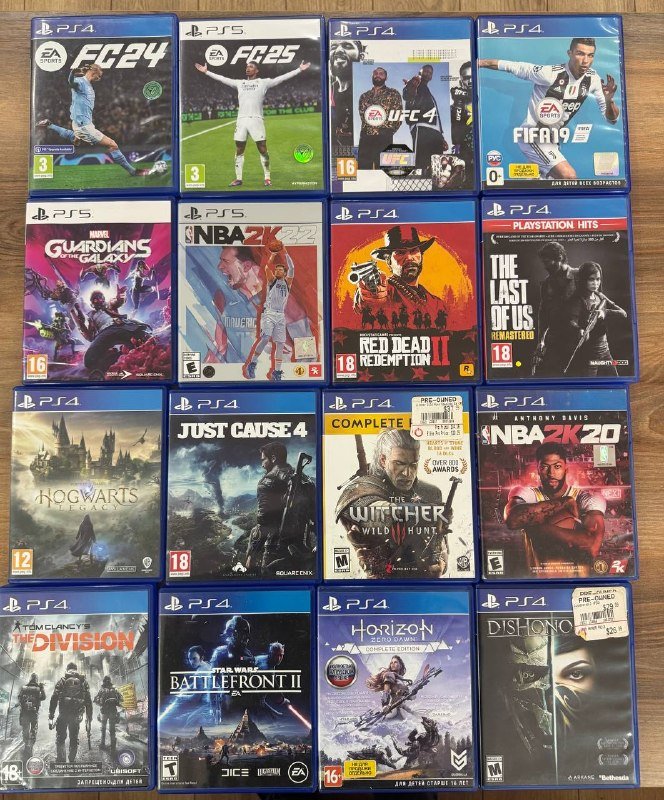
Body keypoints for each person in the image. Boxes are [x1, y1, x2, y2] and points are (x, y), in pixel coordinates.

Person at [478, 38, 620, 180]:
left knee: (543, 185)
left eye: (590, 55)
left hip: (552, 140)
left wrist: (609, 101)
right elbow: (514, 66)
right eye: (580, 54)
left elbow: (612, 120)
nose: (585, 61)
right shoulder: (550, 74)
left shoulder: (593, 79)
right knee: (569, 177)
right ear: (569, 53)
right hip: (532, 135)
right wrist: (480, 63)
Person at [335, 428, 449, 578]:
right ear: (383, 460)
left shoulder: (430, 493)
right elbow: (379, 514)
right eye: (399, 464)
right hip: (379, 583)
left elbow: (441, 544)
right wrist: (428, 512)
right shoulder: (360, 490)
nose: (407, 473)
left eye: (413, 464)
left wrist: (441, 563)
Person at [195, 59, 311, 187]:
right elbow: (223, 79)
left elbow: (281, 78)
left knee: (262, 148)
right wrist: (207, 72)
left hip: (256, 119)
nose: (248, 68)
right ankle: (238, 179)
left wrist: (299, 70)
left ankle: (267, 177)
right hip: (241, 120)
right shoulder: (240, 83)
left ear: (256, 70)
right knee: (239, 149)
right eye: (247, 66)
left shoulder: (263, 82)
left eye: (251, 66)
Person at [504, 442, 606, 578]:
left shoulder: (588, 498)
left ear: (566, 469)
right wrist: (565, 502)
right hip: (538, 580)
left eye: (557, 467)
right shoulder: (526, 493)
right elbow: (512, 520)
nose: (551, 473)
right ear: (538, 469)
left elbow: (592, 546)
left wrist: (541, 528)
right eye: (545, 467)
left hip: (577, 581)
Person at [37, 63, 155, 178]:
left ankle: (49, 125)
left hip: (83, 123)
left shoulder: (88, 85)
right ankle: (133, 171)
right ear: (94, 72)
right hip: (84, 125)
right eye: (99, 75)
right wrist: (73, 72)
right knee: (113, 145)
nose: (100, 78)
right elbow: (71, 82)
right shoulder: (81, 82)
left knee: (76, 139)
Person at [353, 226, 447, 322]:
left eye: (414, 251)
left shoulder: (436, 303)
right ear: (388, 261)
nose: (409, 257)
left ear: (421, 255)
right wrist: (367, 296)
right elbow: (367, 300)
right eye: (400, 253)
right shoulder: (386, 289)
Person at [564, 261, 628, 377]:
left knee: (615, 380)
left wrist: (604, 312)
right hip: (589, 355)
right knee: (588, 384)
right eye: (591, 279)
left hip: (605, 351)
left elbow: (623, 314)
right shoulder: (578, 300)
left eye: (598, 279)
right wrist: (579, 330)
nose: (595, 283)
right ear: (583, 280)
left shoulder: (600, 296)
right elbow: (571, 321)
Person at [71, 288, 151, 376]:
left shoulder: (109, 306)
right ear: (92, 303)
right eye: (95, 299)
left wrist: (120, 296)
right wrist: (78, 319)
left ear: (103, 298)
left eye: (100, 297)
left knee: (141, 334)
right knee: (89, 359)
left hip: (119, 327)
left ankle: (131, 355)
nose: (98, 300)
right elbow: (89, 336)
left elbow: (117, 302)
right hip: (104, 333)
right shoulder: (91, 316)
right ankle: (107, 367)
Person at [245, 245, 294, 381]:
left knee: (280, 343)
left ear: (284, 273)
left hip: (280, 315)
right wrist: (273, 254)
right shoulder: (272, 281)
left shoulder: (287, 283)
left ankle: (276, 372)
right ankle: (252, 364)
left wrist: (285, 252)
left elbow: (292, 267)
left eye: (280, 269)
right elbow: (267, 267)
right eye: (276, 269)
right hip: (269, 313)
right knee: (266, 337)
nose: (277, 270)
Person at [532, 242, 578, 376]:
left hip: (580, 339)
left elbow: (597, 300)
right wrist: (541, 341)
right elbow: (543, 314)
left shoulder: (579, 275)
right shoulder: (546, 284)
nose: (545, 266)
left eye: (547, 262)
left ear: (559, 258)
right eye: (543, 262)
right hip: (556, 341)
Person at [246, 443, 293, 572]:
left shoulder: (267, 483)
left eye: (263, 460)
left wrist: (252, 554)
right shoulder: (300, 478)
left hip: (273, 547)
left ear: (273, 458)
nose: (262, 464)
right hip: (299, 546)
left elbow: (264, 522)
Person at [403, 65, 447, 175]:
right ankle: (420, 183)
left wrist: (441, 137)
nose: (428, 73)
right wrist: (411, 87)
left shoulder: (428, 92)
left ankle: (435, 184)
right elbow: (407, 94)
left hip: (435, 133)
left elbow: (436, 117)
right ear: (420, 72)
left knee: (437, 165)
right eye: (426, 71)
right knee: (421, 163)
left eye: (430, 72)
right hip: (421, 128)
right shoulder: (415, 82)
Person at [357, 67, 403, 169]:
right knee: (363, 169)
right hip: (366, 138)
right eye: (375, 73)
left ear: (386, 77)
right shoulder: (364, 96)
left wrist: (388, 131)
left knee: (383, 170)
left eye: (381, 74)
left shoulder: (393, 93)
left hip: (384, 137)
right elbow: (363, 116)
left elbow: (398, 116)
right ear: (372, 76)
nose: (378, 75)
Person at [49, 661, 93, 764]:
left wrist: (51, 715)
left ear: (67, 669)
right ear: (76, 669)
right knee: (74, 738)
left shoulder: (62, 680)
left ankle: (61, 760)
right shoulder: (83, 682)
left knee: (60, 738)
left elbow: (54, 698)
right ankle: (72, 759)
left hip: (63, 714)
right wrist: (89, 718)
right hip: (76, 715)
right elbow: (88, 701)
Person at [329, 39, 365, 148]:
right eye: (333, 47)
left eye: (347, 46)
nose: (339, 50)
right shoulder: (330, 90)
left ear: (361, 57)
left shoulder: (366, 90)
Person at [94, 676, 123, 755]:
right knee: (112, 730)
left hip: (104, 712)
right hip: (113, 712)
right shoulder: (114, 689)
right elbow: (121, 698)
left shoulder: (102, 689)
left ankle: (102, 744)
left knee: (103, 728)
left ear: (104, 682)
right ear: (110, 681)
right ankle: (113, 748)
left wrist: (100, 703)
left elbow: (96, 700)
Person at [18, 673, 46, 757]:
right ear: (36, 679)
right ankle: (30, 745)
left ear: (30, 679)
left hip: (25, 712)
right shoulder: (38, 688)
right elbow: (43, 697)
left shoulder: (24, 687)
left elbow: (19, 698)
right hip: (34, 713)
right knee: (33, 729)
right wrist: (42, 688)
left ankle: (26, 744)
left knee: (25, 729)